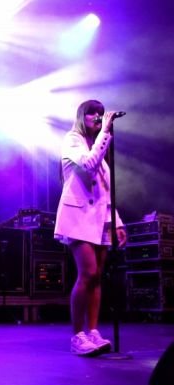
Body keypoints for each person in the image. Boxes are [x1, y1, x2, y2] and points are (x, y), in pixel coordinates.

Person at [54, 99, 127, 356]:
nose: (97, 116)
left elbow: (106, 191)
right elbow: (87, 164)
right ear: (81, 116)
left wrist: (117, 223)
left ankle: (93, 331)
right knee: (87, 273)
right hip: (78, 217)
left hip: (99, 219)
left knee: (97, 277)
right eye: (92, 113)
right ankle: (77, 336)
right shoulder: (72, 140)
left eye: (100, 113)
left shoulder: (100, 152)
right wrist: (105, 131)